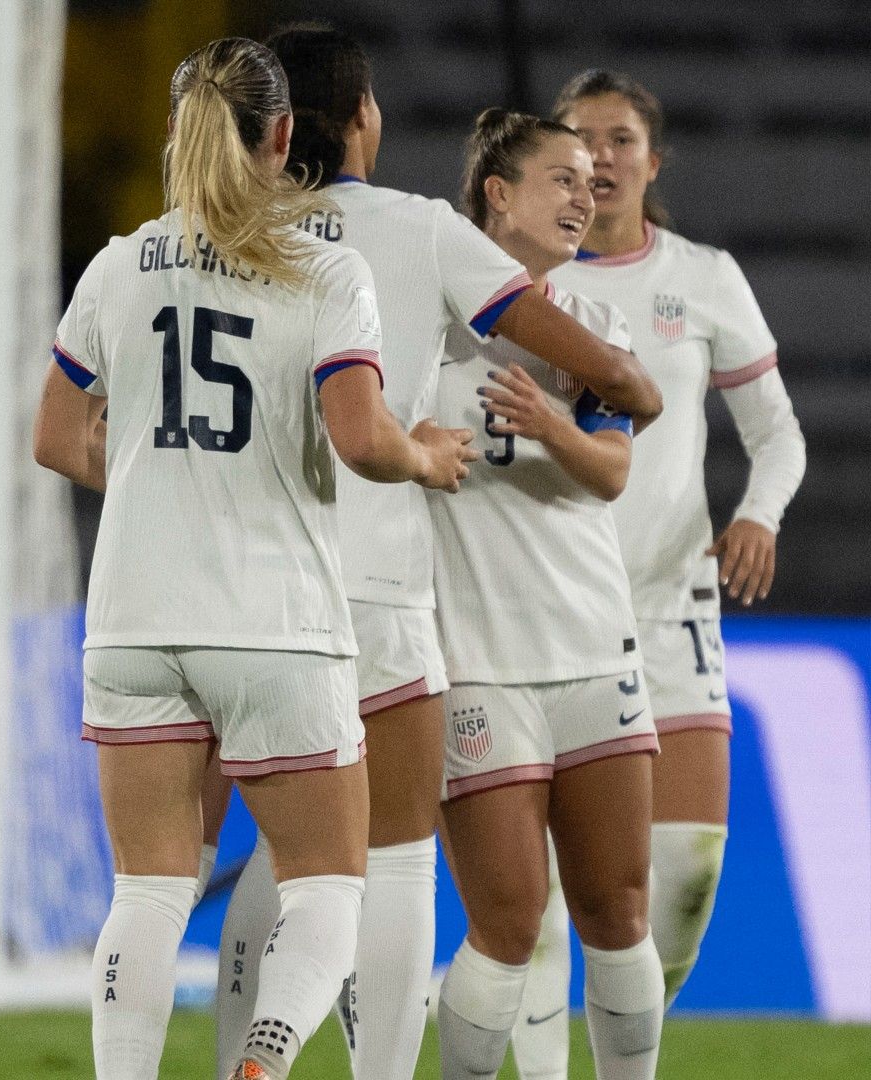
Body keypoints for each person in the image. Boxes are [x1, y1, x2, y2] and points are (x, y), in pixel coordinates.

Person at [209, 26, 666, 1080]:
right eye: (561, 175)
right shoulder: (428, 247)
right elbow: (620, 387)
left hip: (246, 594)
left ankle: (246, 1053)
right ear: (363, 118)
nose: (585, 193)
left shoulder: (212, 236)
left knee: (259, 864)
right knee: (407, 873)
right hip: (400, 610)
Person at [34, 37, 476, 1080]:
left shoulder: (117, 262)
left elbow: (56, 440)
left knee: (146, 892)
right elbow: (364, 438)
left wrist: (155, 478)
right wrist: (425, 454)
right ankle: (266, 1059)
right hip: (275, 621)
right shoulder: (326, 268)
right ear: (284, 137)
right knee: (330, 886)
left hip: (136, 617)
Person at [504, 69, 808, 1079]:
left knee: (682, 875)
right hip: (542, 604)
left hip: (670, 601)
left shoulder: (705, 277)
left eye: (621, 138)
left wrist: (757, 515)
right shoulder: (516, 283)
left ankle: (621, 1043)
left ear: (652, 158)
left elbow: (779, 437)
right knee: (536, 895)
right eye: (581, 140)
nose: (601, 157)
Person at [429, 109, 665, 1080]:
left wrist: (547, 424)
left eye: (593, 179)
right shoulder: (419, 323)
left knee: (618, 911)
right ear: (497, 192)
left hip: (590, 644)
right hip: (478, 660)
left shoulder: (594, 329)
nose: (587, 194)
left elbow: (609, 469)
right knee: (509, 923)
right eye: (562, 178)